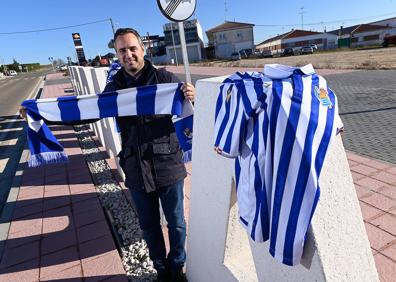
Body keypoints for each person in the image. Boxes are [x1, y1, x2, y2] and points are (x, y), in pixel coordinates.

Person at [103, 28, 194, 282]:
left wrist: (193, 97)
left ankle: (177, 267)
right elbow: (87, 110)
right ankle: (161, 270)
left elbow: (190, 111)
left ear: (142, 49)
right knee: (148, 226)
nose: (128, 54)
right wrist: (43, 113)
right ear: (117, 55)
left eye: (132, 48)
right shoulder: (114, 88)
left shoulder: (165, 79)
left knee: (176, 222)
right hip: (134, 167)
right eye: (122, 50)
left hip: (168, 164)